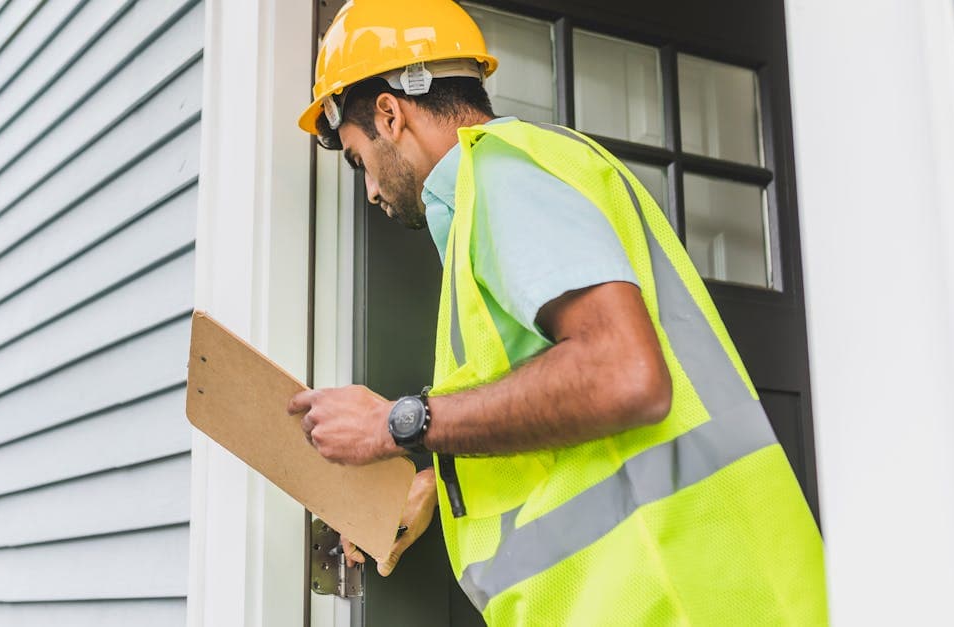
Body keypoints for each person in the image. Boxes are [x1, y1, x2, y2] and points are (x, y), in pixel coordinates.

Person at [287, 1, 828, 624]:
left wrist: (397, 424)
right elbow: (560, 398)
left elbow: (623, 375)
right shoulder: (523, 180)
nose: (372, 189)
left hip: (678, 600)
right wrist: (440, 478)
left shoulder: (503, 175)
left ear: (390, 113)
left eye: (359, 161)